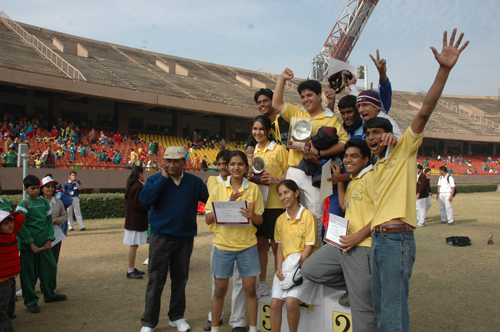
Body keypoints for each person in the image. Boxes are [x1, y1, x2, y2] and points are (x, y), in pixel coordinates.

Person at [364, 29, 468, 331]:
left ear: (387, 134)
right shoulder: (375, 168)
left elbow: (424, 111)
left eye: (376, 133)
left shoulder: (404, 150)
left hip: (397, 239)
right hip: (379, 239)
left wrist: (443, 70)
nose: (371, 138)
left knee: (393, 313)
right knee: (382, 311)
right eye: (367, 134)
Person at [302, 139, 377, 331]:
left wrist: (358, 236)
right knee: (310, 268)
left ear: (366, 159)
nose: (348, 160)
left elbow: (382, 214)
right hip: (343, 243)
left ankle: (361, 288)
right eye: (346, 156)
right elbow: (344, 206)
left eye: (354, 156)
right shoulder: (353, 180)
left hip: (362, 245)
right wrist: (339, 180)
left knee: (362, 310)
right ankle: (356, 285)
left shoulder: (373, 177)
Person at [139, 146, 209, 332]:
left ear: (183, 163)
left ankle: (176, 316)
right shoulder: (155, 179)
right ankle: (149, 322)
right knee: (156, 281)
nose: (171, 164)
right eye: (168, 161)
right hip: (160, 238)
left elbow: (210, 198)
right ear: (163, 162)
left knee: (180, 280)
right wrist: (163, 178)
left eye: (176, 161)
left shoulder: (194, 182)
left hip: (185, 238)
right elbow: (145, 200)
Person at [272, 69, 349, 232]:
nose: (306, 99)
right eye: (303, 96)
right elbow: (276, 104)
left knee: (315, 216)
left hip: (315, 173)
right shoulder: (298, 112)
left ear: (319, 96)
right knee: (293, 216)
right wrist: (282, 80)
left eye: (309, 95)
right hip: (294, 171)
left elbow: (344, 143)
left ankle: (315, 255)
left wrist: (319, 153)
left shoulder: (330, 118)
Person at [205, 150, 264, 332]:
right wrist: (227, 205)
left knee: (250, 290)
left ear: (246, 167)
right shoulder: (218, 189)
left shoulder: (253, 189)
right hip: (223, 246)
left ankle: (253, 328)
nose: (236, 167)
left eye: (240, 164)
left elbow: (260, 219)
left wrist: (252, 215)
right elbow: (208, 218)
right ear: (227, 167)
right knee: (220, 291)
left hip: (247, 247)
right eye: (232, 164)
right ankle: (215, 328)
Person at [204, 150, 246, 331]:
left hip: (241, 237)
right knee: (218, 280)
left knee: (239, 279)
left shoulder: (245, 184)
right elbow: (212, 212)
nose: (222, 167)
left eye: (225, 164)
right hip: (220, 236)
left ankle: (238, 320)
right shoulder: (214, 182)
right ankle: (216, 316)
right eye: (220, 164)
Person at [271, 180, 320, 332]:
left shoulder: (307, 216)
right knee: (275, 304)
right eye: (280, 194)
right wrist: (279, 267)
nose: (283, 197)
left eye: (286, 192)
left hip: (303, 265)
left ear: (296, 193)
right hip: (286, 266)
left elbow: (309, 246)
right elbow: (279, 247)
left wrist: (297, 267)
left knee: (291, 302)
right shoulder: (280, 220)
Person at [16, 175, 67, 313]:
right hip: (29, 248)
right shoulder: (23, 204)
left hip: (45, 245)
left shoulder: (44, 203)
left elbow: (48, 222)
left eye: (37, 188)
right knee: (29, 275)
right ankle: (31, 301)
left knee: (50, 269)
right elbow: (20, 226)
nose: (36, 191)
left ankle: (50, 294)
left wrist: (49, 239)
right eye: (32, 189)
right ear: (25, 189)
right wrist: (30, 244)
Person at [250, 115, 289, 298]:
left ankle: (279, 282)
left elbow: (291, 170)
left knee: (276, 247)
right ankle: (263, 283)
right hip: (258, 205)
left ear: (269, 131)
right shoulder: (252, 152)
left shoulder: (279, 149)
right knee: (260, 246)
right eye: (255, 129)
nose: (258, 132)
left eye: (261, 129)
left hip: (276, 204)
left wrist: (276, 180)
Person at [124, 166, 149, 280]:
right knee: (133, 245)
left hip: (133, 220)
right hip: (134, 220)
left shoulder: (134, 185)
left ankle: (132, 268)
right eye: (143, 173)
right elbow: (138, 204)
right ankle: (130, 270)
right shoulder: (137, 186)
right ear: (139, 174)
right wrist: (149, 205)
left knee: (134, 245)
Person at [0, 210, 24, 330]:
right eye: (5, 223)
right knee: (2, 311)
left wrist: (8, 213)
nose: (11, 225)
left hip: (10, 279)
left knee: (9, 307)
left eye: (11, 222)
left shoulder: (12, 233)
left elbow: (20, 217)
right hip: (1, 282)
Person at [40, 176, 67, 263]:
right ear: (42, 189)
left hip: (56, 236)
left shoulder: (58, 202)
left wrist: (58, 220)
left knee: (53, 260)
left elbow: (64, 215)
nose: (50, 189)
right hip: (40, 236)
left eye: (52, 186)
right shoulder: (38, 202)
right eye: (47, 186)